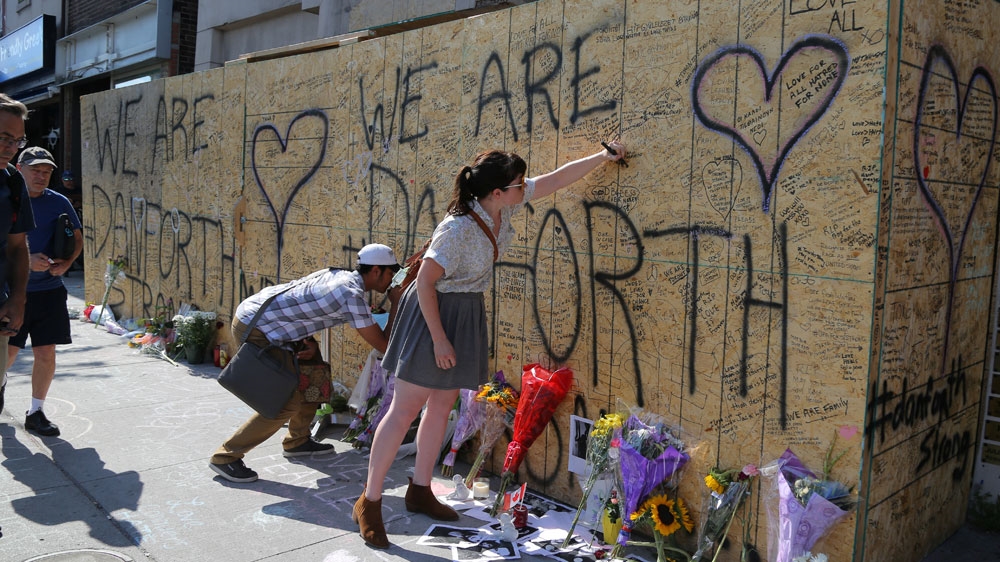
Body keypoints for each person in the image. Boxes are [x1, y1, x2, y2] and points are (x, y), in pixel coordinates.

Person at [354, 141, 627, 549]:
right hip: (434, 312)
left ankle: (421, 489)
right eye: (518, 183)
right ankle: (369, 502)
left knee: (442, 406)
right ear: (496, 192)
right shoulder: (459, 227)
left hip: (464, 311)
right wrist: (441, 338)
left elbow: (554, 180)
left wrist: (602, 157)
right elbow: (426, 282)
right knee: (405, 408)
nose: (525, 188)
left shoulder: (504, 205)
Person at [210, 243, 402, 483]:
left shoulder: (338, 274)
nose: (393, 280)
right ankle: (226, 456)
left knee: (314, 371)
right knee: (284, 404)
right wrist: (396, 303)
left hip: (263, 317)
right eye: (391, 273)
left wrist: (306, 340)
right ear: (376, 271)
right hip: (258, 328)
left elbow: (299, 305)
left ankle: (297, 440)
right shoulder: (352, 296)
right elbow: (384, 345)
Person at [5, 147, 83, 437]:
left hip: (49, 292)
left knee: (46, 352)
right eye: (35, 170)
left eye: (47, 171)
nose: (42, 176)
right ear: (19, 168)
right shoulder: (6, 200)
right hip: (12, 293)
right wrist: (28, 259)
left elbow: (77, 238)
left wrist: (67, 264)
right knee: (8, 354)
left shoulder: (58, 201)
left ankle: (36, 412)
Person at [0, 94, 36, 420]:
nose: (10, 147)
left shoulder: (12, 182)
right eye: (3, 137)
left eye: (17, 140)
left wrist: (19, 299)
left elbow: (16, 246)